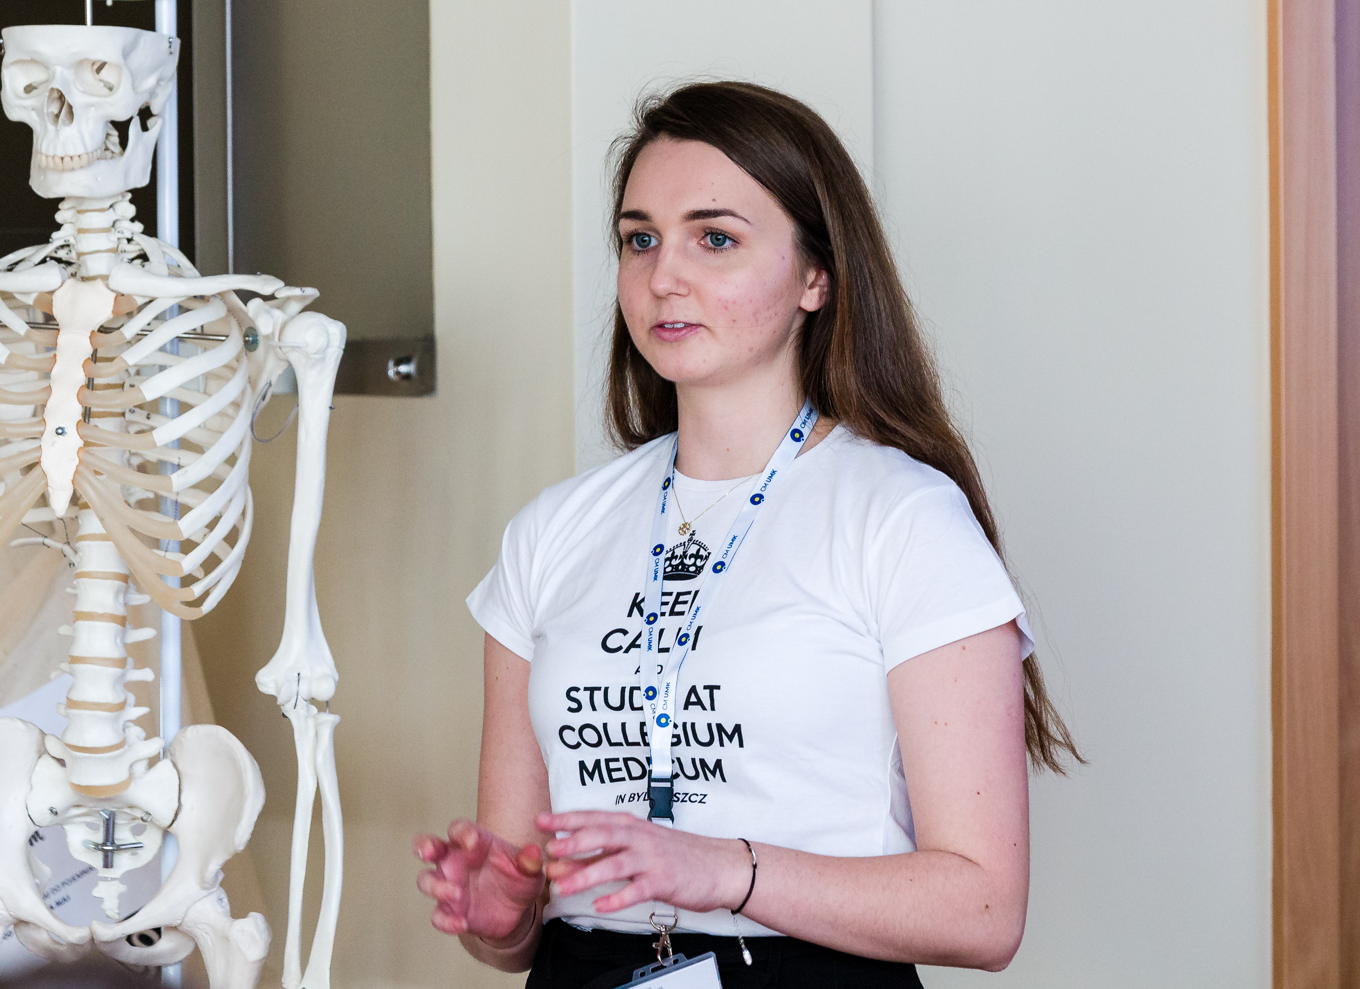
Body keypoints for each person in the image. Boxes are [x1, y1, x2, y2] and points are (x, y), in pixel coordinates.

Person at [414, 82, 1079, 988]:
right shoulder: (551, 532)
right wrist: (500, 918)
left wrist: (726, 871)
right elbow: (518, 925)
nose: (664, 276)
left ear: (816, 277)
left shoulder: (902, 519)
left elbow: (985, 911)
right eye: (640, 239)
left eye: (715, 238)